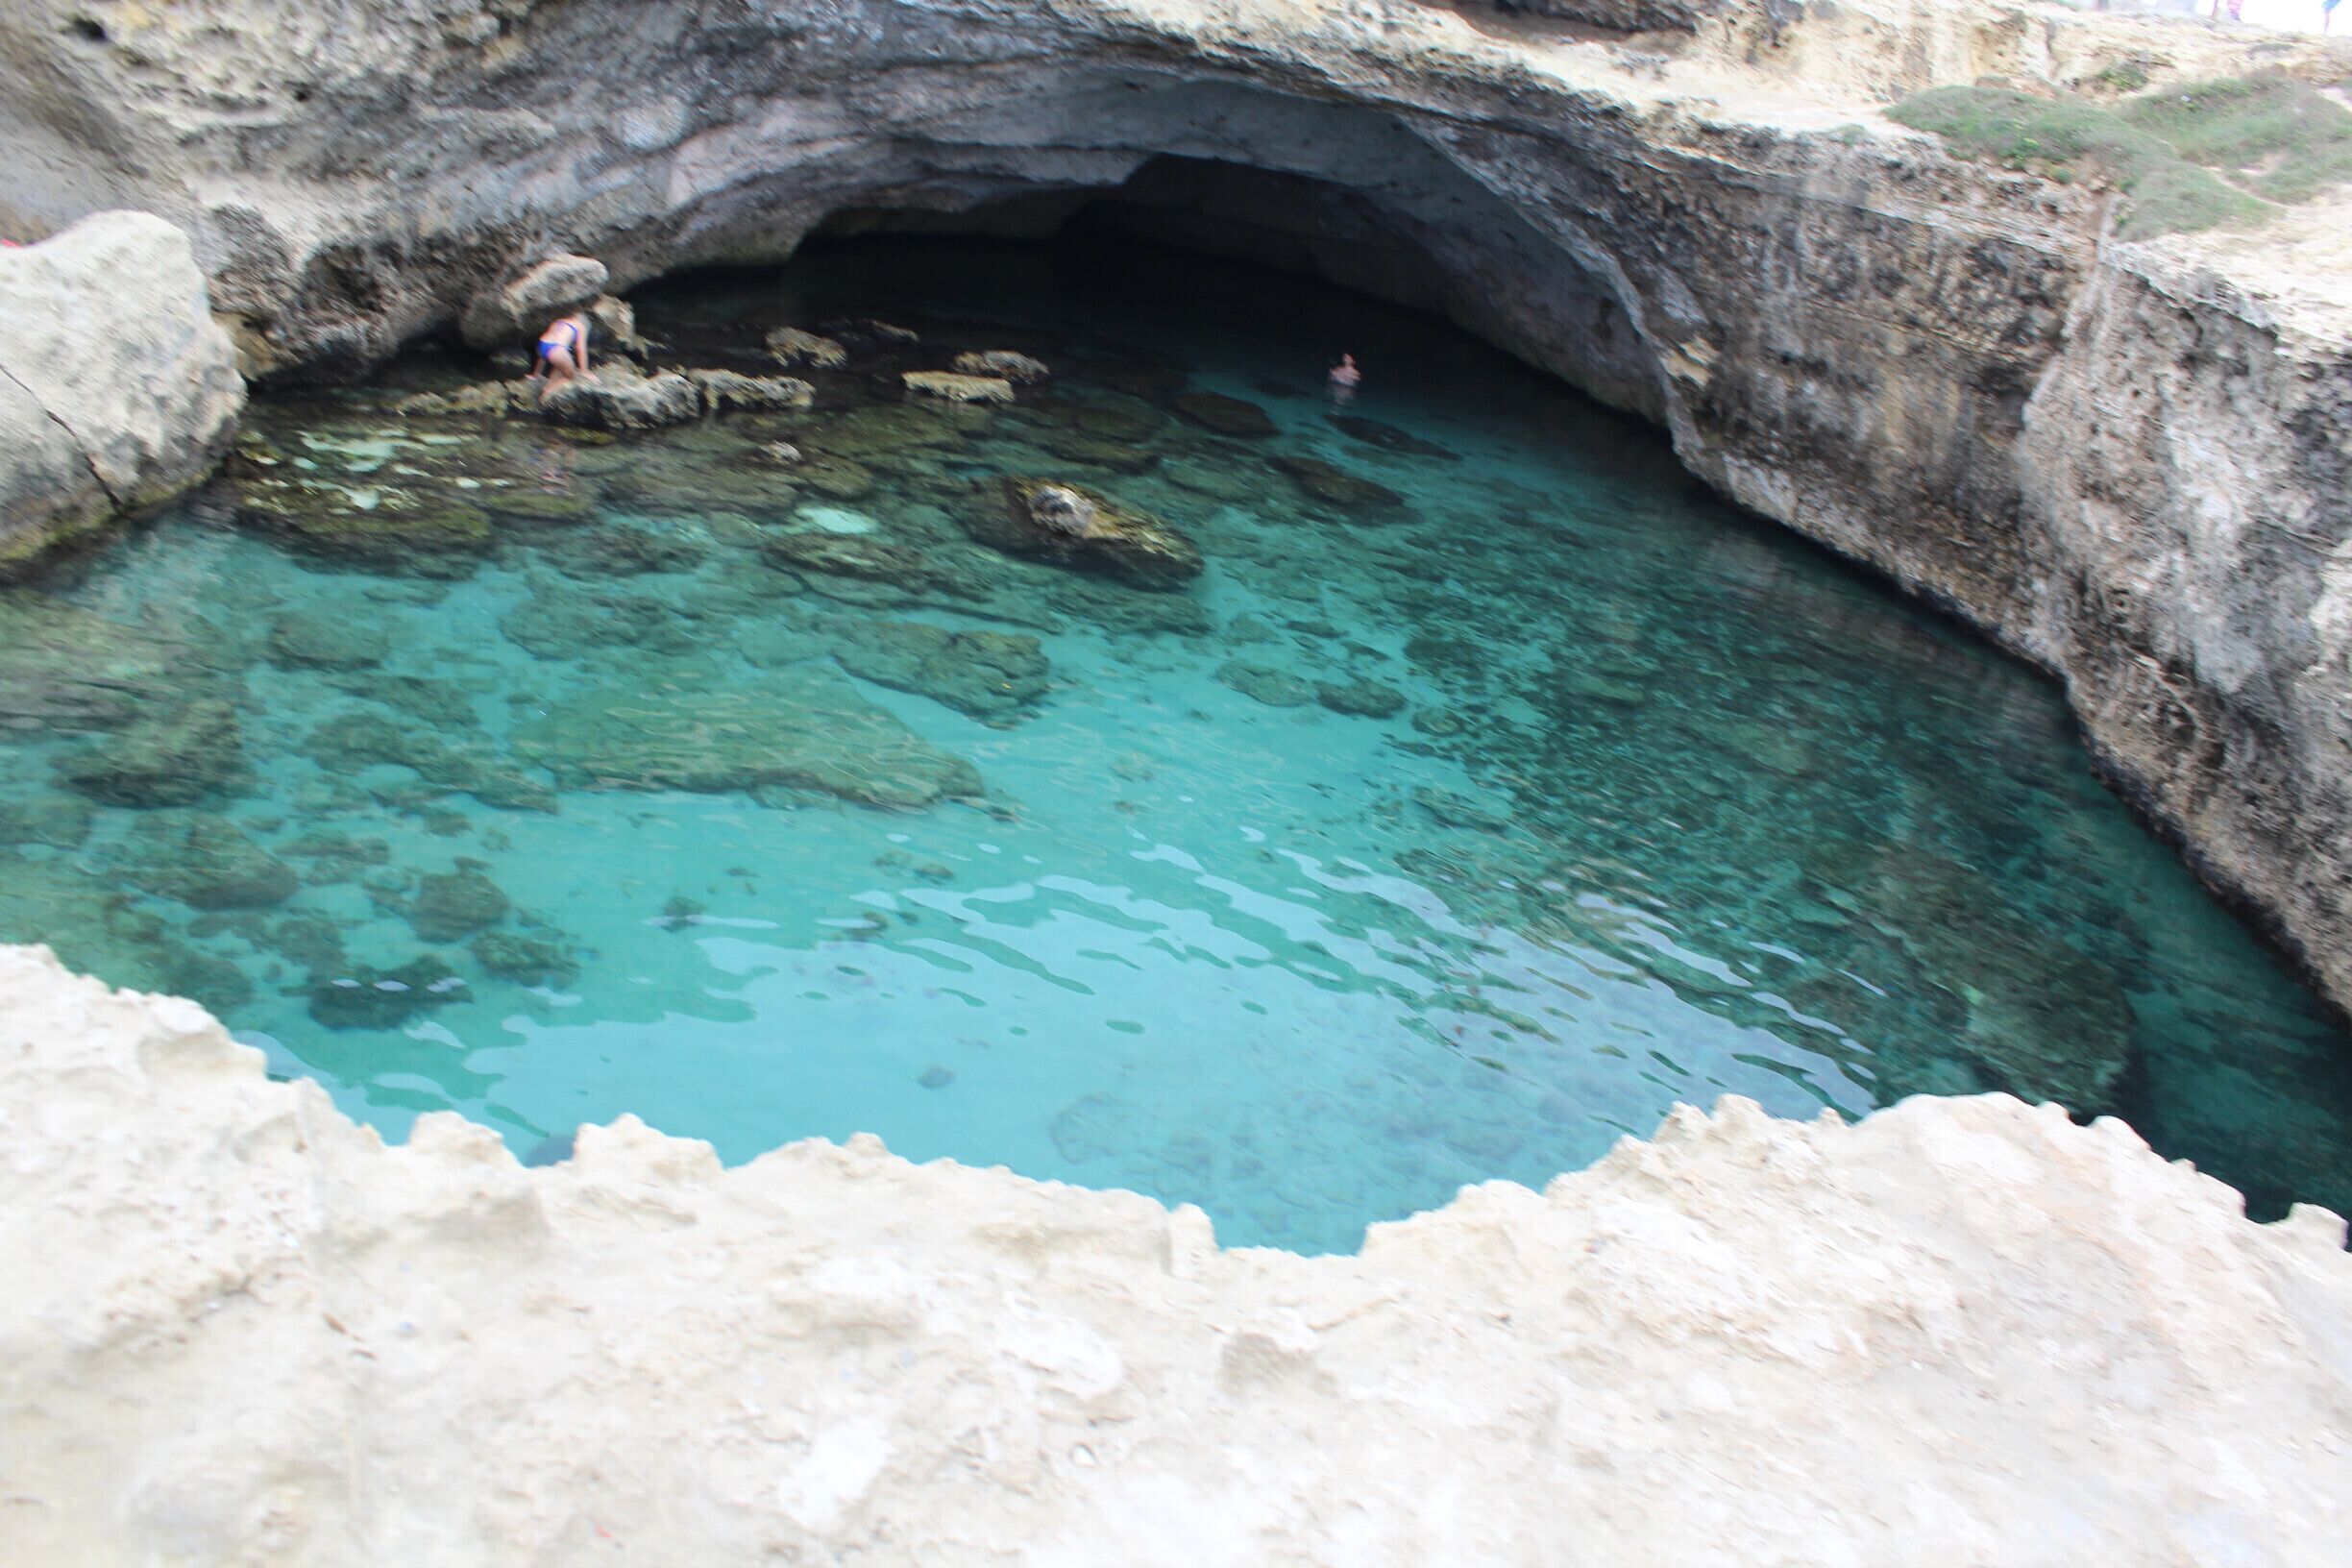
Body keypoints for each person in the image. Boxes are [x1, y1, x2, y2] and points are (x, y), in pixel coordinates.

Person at [527, 308, 595, 402]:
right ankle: (547, 393)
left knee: (561, 365)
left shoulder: (559, 321)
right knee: (570, 376)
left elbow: (542, 356)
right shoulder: (580, 326)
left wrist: (536, 374)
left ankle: (543, 382)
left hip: (542, 345)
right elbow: (580, 350)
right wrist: (584, 371)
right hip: (557, 349)